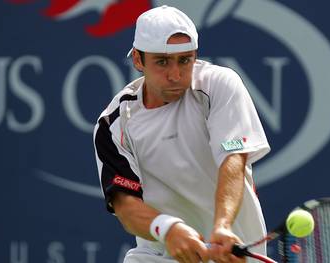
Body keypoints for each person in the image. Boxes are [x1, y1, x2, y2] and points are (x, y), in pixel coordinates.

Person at [93, 5, 270, 263]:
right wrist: (168, 229)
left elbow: (232, 159)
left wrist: (222, 226)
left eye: (184, 60)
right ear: (138, 60)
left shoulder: (219, 85)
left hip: (232, 253)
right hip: (158, 253)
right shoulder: (114, 124)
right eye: (162, 62)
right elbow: (125, 206)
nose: (175, 75)